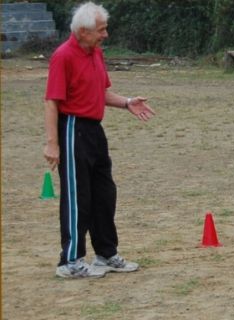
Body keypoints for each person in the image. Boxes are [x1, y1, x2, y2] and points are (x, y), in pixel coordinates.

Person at [44, 2, 155, 279]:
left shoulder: (96, 53)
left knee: (104, 193)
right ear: (83, 31)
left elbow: (100, 93)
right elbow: (52, 101)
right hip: (71, 129)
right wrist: (52, 143)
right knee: (78, 196)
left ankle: (105, 253)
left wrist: (127, 102)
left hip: (95, 130)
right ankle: (69, 261)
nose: (105, 35)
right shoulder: (63, 56)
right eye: (101, 30)